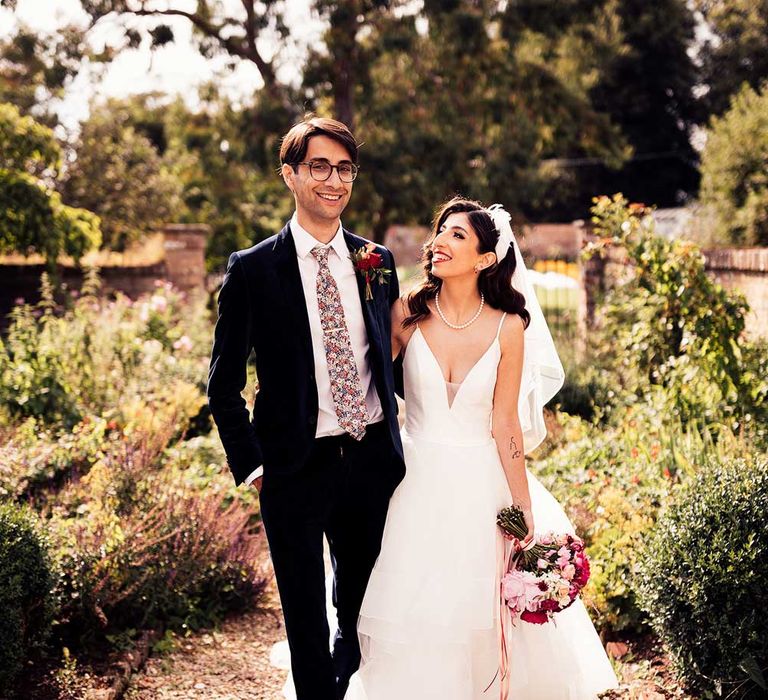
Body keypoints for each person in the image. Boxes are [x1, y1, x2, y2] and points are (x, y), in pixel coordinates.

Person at [344, 197, 619, 699]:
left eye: (456, 236)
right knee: (412, 608)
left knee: (476, 612)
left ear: (486, 258)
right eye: (439, 232)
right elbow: (367, 384)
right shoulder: (407, 312)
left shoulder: (508, 326)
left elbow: (505, 424)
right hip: (411, 482)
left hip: (480, 486)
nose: (439, 243)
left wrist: (523, 505)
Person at [207, 116, 405, 700]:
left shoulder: (378, 261)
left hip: (370, 458)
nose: (334, 180)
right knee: (304, 616)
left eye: (344, 168)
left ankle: (347, 665)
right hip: (292, 467)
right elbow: (223, 382)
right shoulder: (252, 269)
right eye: (319, 167)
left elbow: (392, 351)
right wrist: (253, 464)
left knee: (362, 607)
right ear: (290, 175)